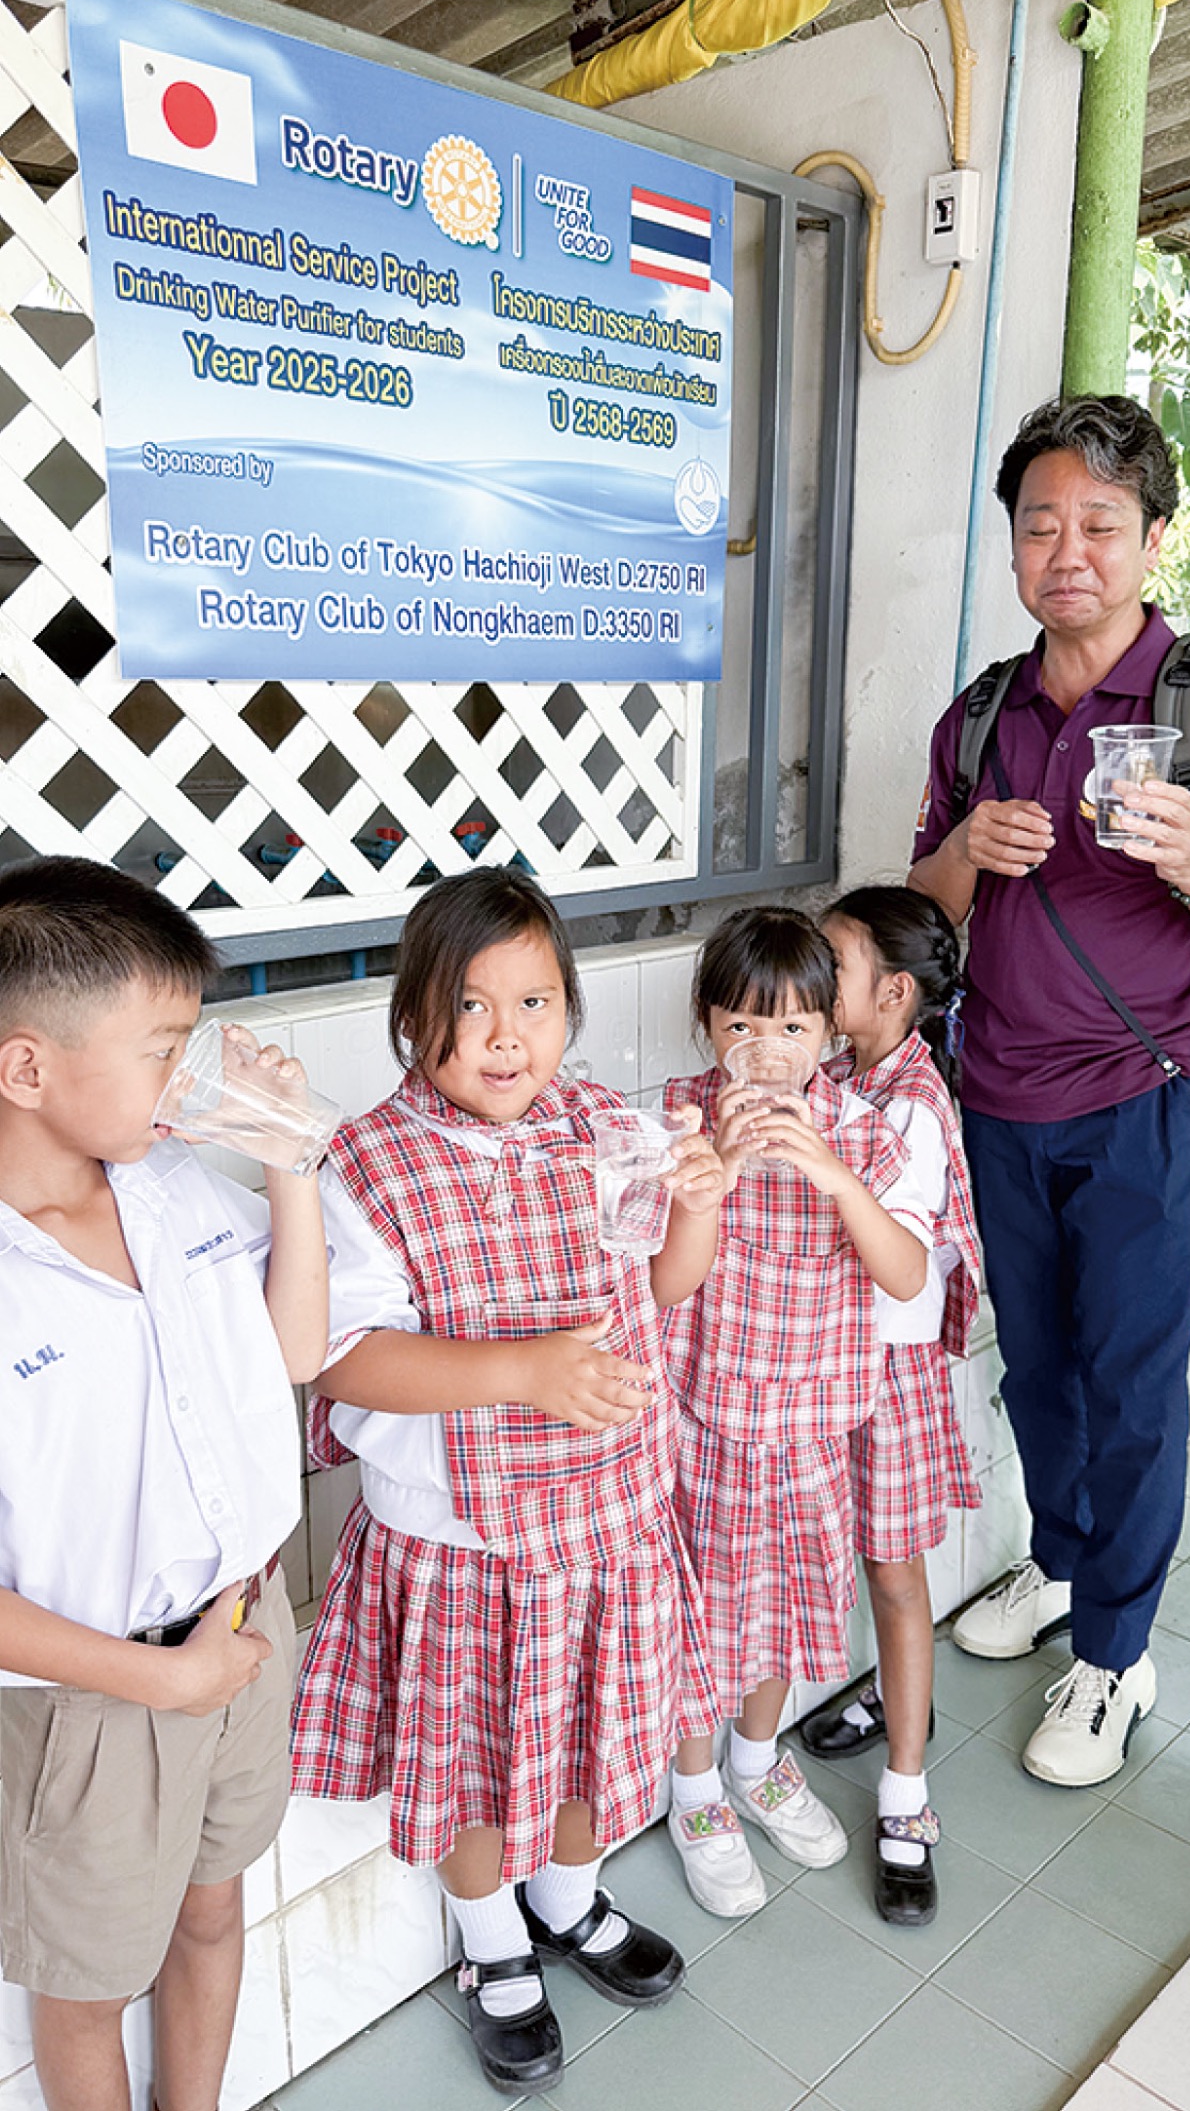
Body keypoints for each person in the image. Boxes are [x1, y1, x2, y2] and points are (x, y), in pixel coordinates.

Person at [289, 867, 726, 2099]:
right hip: (461, 1545)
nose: (506, 1036)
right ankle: (493, 1949)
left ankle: (573, 1902)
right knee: (479, 1760)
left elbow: (665, 1288)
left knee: (592, 1741)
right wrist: (525, 1369)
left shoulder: (598, 1124)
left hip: (609, 1521)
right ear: (412, 1016)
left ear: (569, 1012)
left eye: (535, 1003)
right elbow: (343, 1357)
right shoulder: (364, 1169)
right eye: (471, 1006)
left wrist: (703, 1202)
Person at [0, 857, 343, 2111]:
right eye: (162, 1049)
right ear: (26, 1068)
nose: (186, 1078)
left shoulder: (171, 1181)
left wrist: (290, 1162)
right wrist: (166, 1678)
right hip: (95, 1700)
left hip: (245, 1638)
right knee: (89, 1988)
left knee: (211, 1918)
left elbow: (297, 1352)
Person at [909, 394, 1190, 1787]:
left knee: (1136, 1384)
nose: (1065, 548)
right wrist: (971, 843)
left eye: (1098, 521)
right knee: (1038, 1366)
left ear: (1153, 534)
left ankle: (1117, 1653)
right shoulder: (980, 716)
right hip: (1000, 1098)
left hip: (1153, 1099)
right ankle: (1065, 1562)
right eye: (1040, 522)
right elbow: (918, 912)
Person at [660, 906, 933, 1919]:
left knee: (779, 1613)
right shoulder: (682, 1120)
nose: (765, 1054)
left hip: (813, 1432)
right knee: (701, 1621)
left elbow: (904, 1274)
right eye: (742, 1026)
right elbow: (659, 1288)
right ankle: (696, 1797)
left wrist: (830, 1172)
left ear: (830, 1032)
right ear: (707, 1023)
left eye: (792, 1030)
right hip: (699, 1432)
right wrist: (721, 1169)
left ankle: (757, 1762)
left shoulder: (861, 1129)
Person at [797, 886, 981, 1926]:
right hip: (824, 1361)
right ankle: (882, 1698)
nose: (815, 986)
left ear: (893, 993)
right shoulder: (839, 1073)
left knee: (896, 1576)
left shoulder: (908, 1107)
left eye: (833, 967)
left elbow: (906, 1275)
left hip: (887, 1376)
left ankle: (906, 1796)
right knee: (851, 1561)